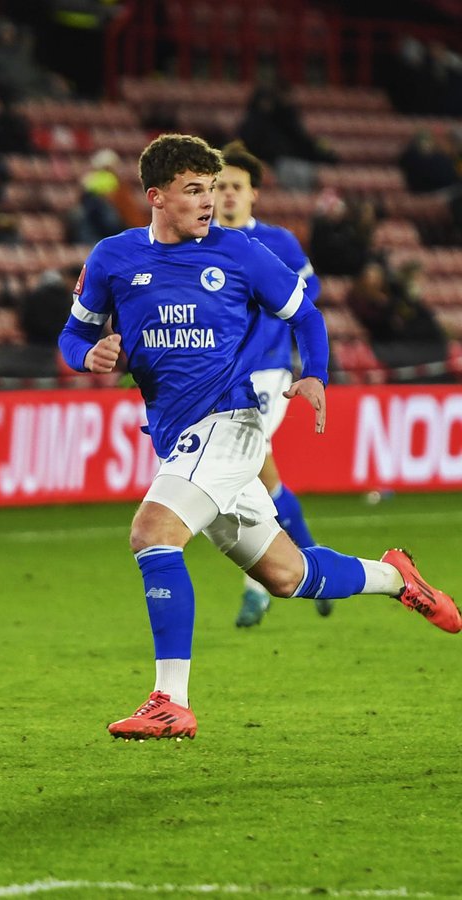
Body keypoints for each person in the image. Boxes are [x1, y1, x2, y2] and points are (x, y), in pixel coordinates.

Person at [58, 133, 461, 742]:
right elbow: (69, 336)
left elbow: (306, 314)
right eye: (194, 191)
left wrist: (316, 375)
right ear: (156, 196)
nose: (208, 202)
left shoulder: (242, 254)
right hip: (177, 435)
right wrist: (89, 352)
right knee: (287, 575)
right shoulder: (114, 259)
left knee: (152, 531)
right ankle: (395, 577)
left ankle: (171, 700)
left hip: (231, 422)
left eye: (213, 189)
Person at [213, 139, 328, 626]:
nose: (228, 196)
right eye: (220, 187)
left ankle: (259, 585)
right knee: (263, 473)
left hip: (268, 373)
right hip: (218, 376)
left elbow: (309, 295)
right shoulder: (200, 245)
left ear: (254, 193)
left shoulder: (277, 243)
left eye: (236, 187)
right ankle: (314, 561)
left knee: (243, 467)